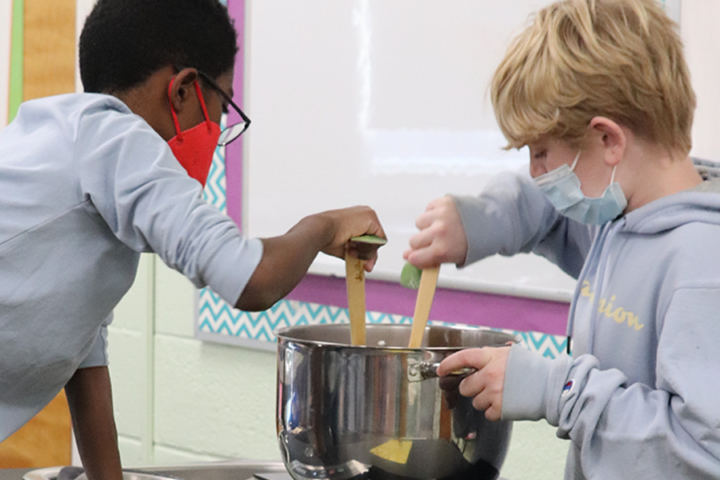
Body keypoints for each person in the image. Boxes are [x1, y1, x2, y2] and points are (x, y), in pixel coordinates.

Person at [0, 0, 384, 477]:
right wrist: (323, 226)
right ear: (183, 90)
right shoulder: (119, 139)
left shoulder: (50, 139)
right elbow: (251, 279)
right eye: (220, 108)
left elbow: (85, 356)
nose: (217, 131)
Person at [405, 0, 720, 478]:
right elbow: (543, 214)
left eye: (541, 153)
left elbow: (701, 454)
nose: (535, 174)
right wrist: (480, 222)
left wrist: (558, 389)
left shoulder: (702, 265)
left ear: (609, 141)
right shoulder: (620, 216)